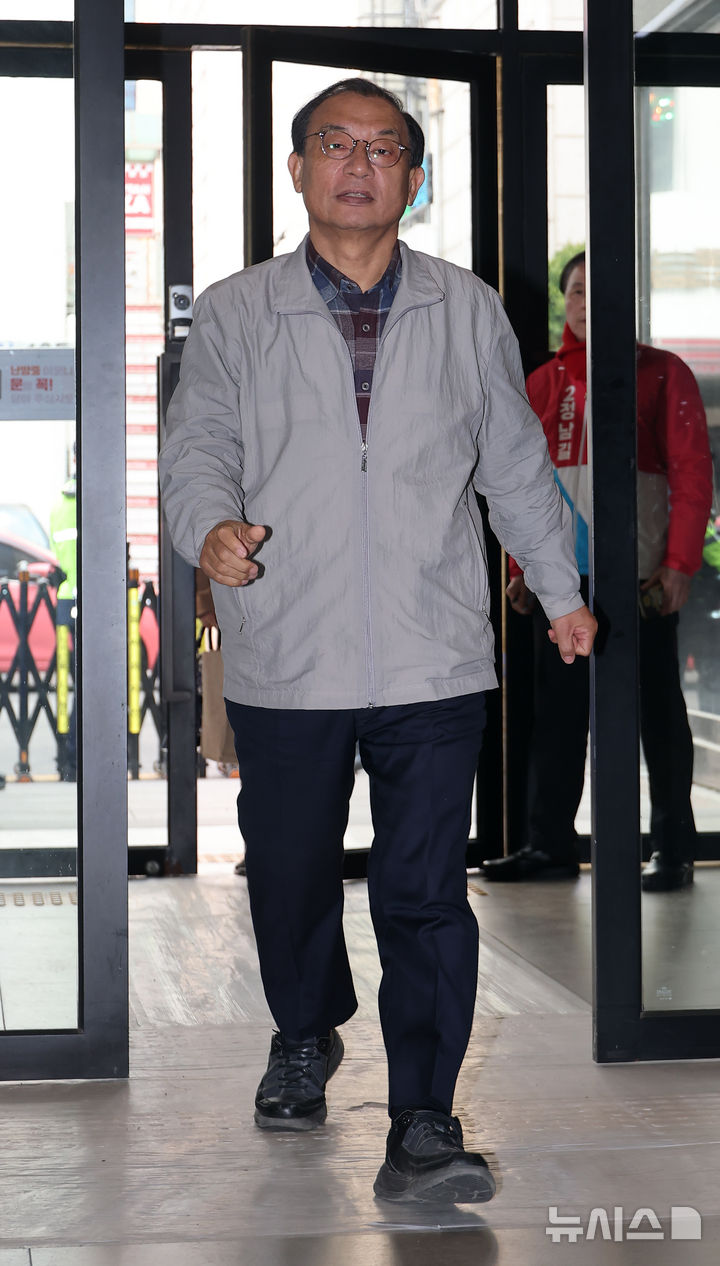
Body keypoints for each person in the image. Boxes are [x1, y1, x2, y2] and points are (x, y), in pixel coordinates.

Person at [158, 78, 596, 1205]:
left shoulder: (466, 308)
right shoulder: (238, 311)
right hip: (286, 645)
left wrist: (560, 592)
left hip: (430, 649)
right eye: (335, 145)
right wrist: (209, 529)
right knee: (289, 874)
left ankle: (424, 1121)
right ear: (298, 168)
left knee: (426, 891)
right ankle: (305, 1028)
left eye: (384, 147)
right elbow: (199, 445)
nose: (359, 165)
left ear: (413, 175)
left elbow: (514, 465)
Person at [483, 251, 713, 893]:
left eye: (598, 290)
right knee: (556, 717)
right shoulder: (541, 382)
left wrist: (680, 564)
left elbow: (693, 473)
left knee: (658, 714)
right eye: (577, 291)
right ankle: (549, 846)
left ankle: (673, 850)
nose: (586, 302)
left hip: (638, 578)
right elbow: (516, 485)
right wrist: (522, 566)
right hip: (560, 582)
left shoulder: (664, 373)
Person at [49, 459, 77, 782]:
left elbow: (57, 554)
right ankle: (76, 754)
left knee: (67, 683)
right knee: (88, 682)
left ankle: (66, 759)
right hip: (92, 604)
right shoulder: (93, 500)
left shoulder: (58, 505)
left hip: (66, 598)